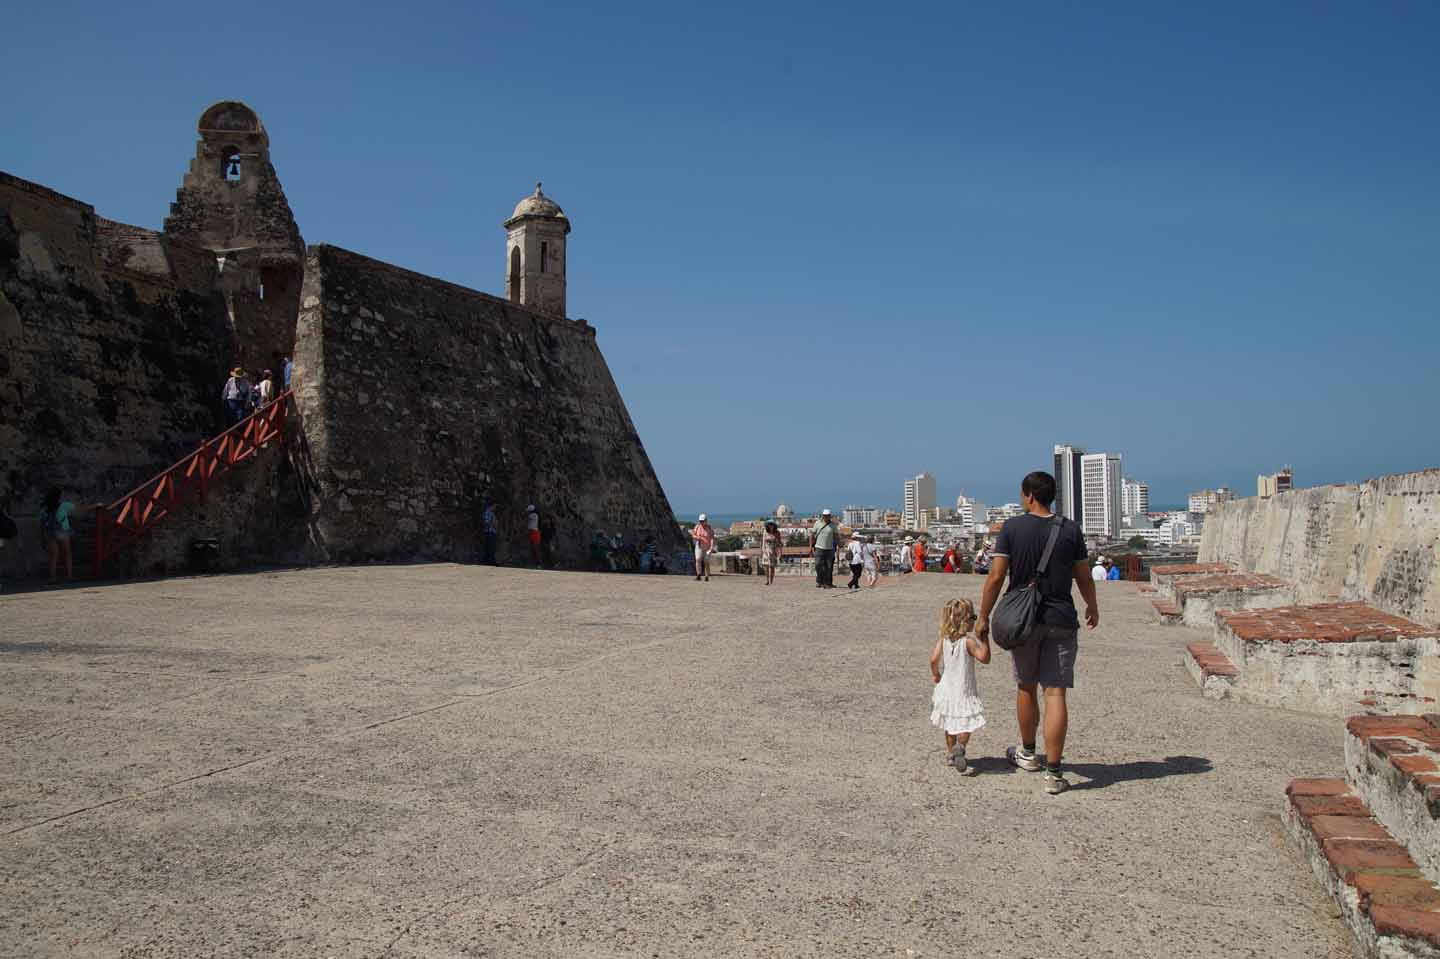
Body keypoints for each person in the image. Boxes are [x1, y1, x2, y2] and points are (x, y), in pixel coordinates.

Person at [977, 470, 1098, 796]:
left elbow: (996, 577)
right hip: (1061, 616)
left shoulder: (1013, 528)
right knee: (1056, 692)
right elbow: (1084, 577)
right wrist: (1092, 605)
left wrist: (983, 616)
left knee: (1026, 687)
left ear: (1029, 495)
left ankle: (1029, 754)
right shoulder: (1071, 529)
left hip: (1023, 620)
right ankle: (1054, 773)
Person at [930, 598, 990, 775]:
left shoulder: (944, 640)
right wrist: (985, 640)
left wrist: (936, 674)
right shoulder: (969, 642)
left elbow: (933, 660)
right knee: (964, 725)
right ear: (966, 620)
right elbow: (984, 658)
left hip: (947, 690)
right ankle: (961, 747)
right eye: (973, 616)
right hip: (964, 690)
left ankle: (951, 754)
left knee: (950, 724)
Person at [40, 486, 99, 583]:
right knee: (67, 554)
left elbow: (42, 523)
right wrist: (95, 505)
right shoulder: (64, 505)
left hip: (50, 532)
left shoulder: (45, 508)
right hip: (62, 531)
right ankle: (69, 576)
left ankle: (53, 578)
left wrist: (42, 536)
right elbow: (81, 509)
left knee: (53, 556)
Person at [807, 509, 839, 589]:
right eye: (825, 516)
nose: (826, 517)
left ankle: (827, 583)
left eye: (828, 515)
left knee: (829, 567)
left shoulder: (833, 525)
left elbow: (836, 536)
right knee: (818, 565)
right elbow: (812, 535)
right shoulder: (818, 523)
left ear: (830, 516)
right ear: (823, 516)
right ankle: (819, 581)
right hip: (819, 548)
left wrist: (838, 545)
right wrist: (810, 547)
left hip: (830, 549)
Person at [691, 514, 716, 581]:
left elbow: (712, 538)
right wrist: (697, 537)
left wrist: (711, 547)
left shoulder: (709, 528)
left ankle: (707, 576)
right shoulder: (697, 527)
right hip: (699, 546)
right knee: (698, 559)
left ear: (706, 521)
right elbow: (693, 535)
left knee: (706, 562)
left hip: (707, 547)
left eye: (703, 521)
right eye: (700, 521)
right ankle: (698, 575)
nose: (701, 522)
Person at [760, 520, 782, 586]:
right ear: (767, 525)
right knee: (766, 566)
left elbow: (779, 543)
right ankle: (767, 580)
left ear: (774, 525)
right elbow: (763, 541)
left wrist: (780, 552)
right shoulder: (765, 532)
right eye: (769, 524)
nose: (770, 526)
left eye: (772, 524)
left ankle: (771, 581)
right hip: (766, 551)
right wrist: (763, 550)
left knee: (772, 567)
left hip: (773, 551)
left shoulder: (777, 533)